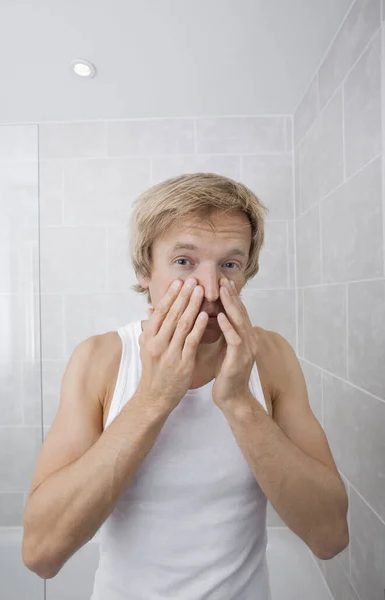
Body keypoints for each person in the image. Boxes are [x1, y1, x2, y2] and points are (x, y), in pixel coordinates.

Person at [22, 173, 349, 599]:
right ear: (144, 271)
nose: (211, 290)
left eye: (230, 264)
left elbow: (330, 537)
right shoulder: (100, 360)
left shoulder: (271, 358)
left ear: (246, 273)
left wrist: (238, 403)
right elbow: (41, 553)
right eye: (184, 262)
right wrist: (154, 397)